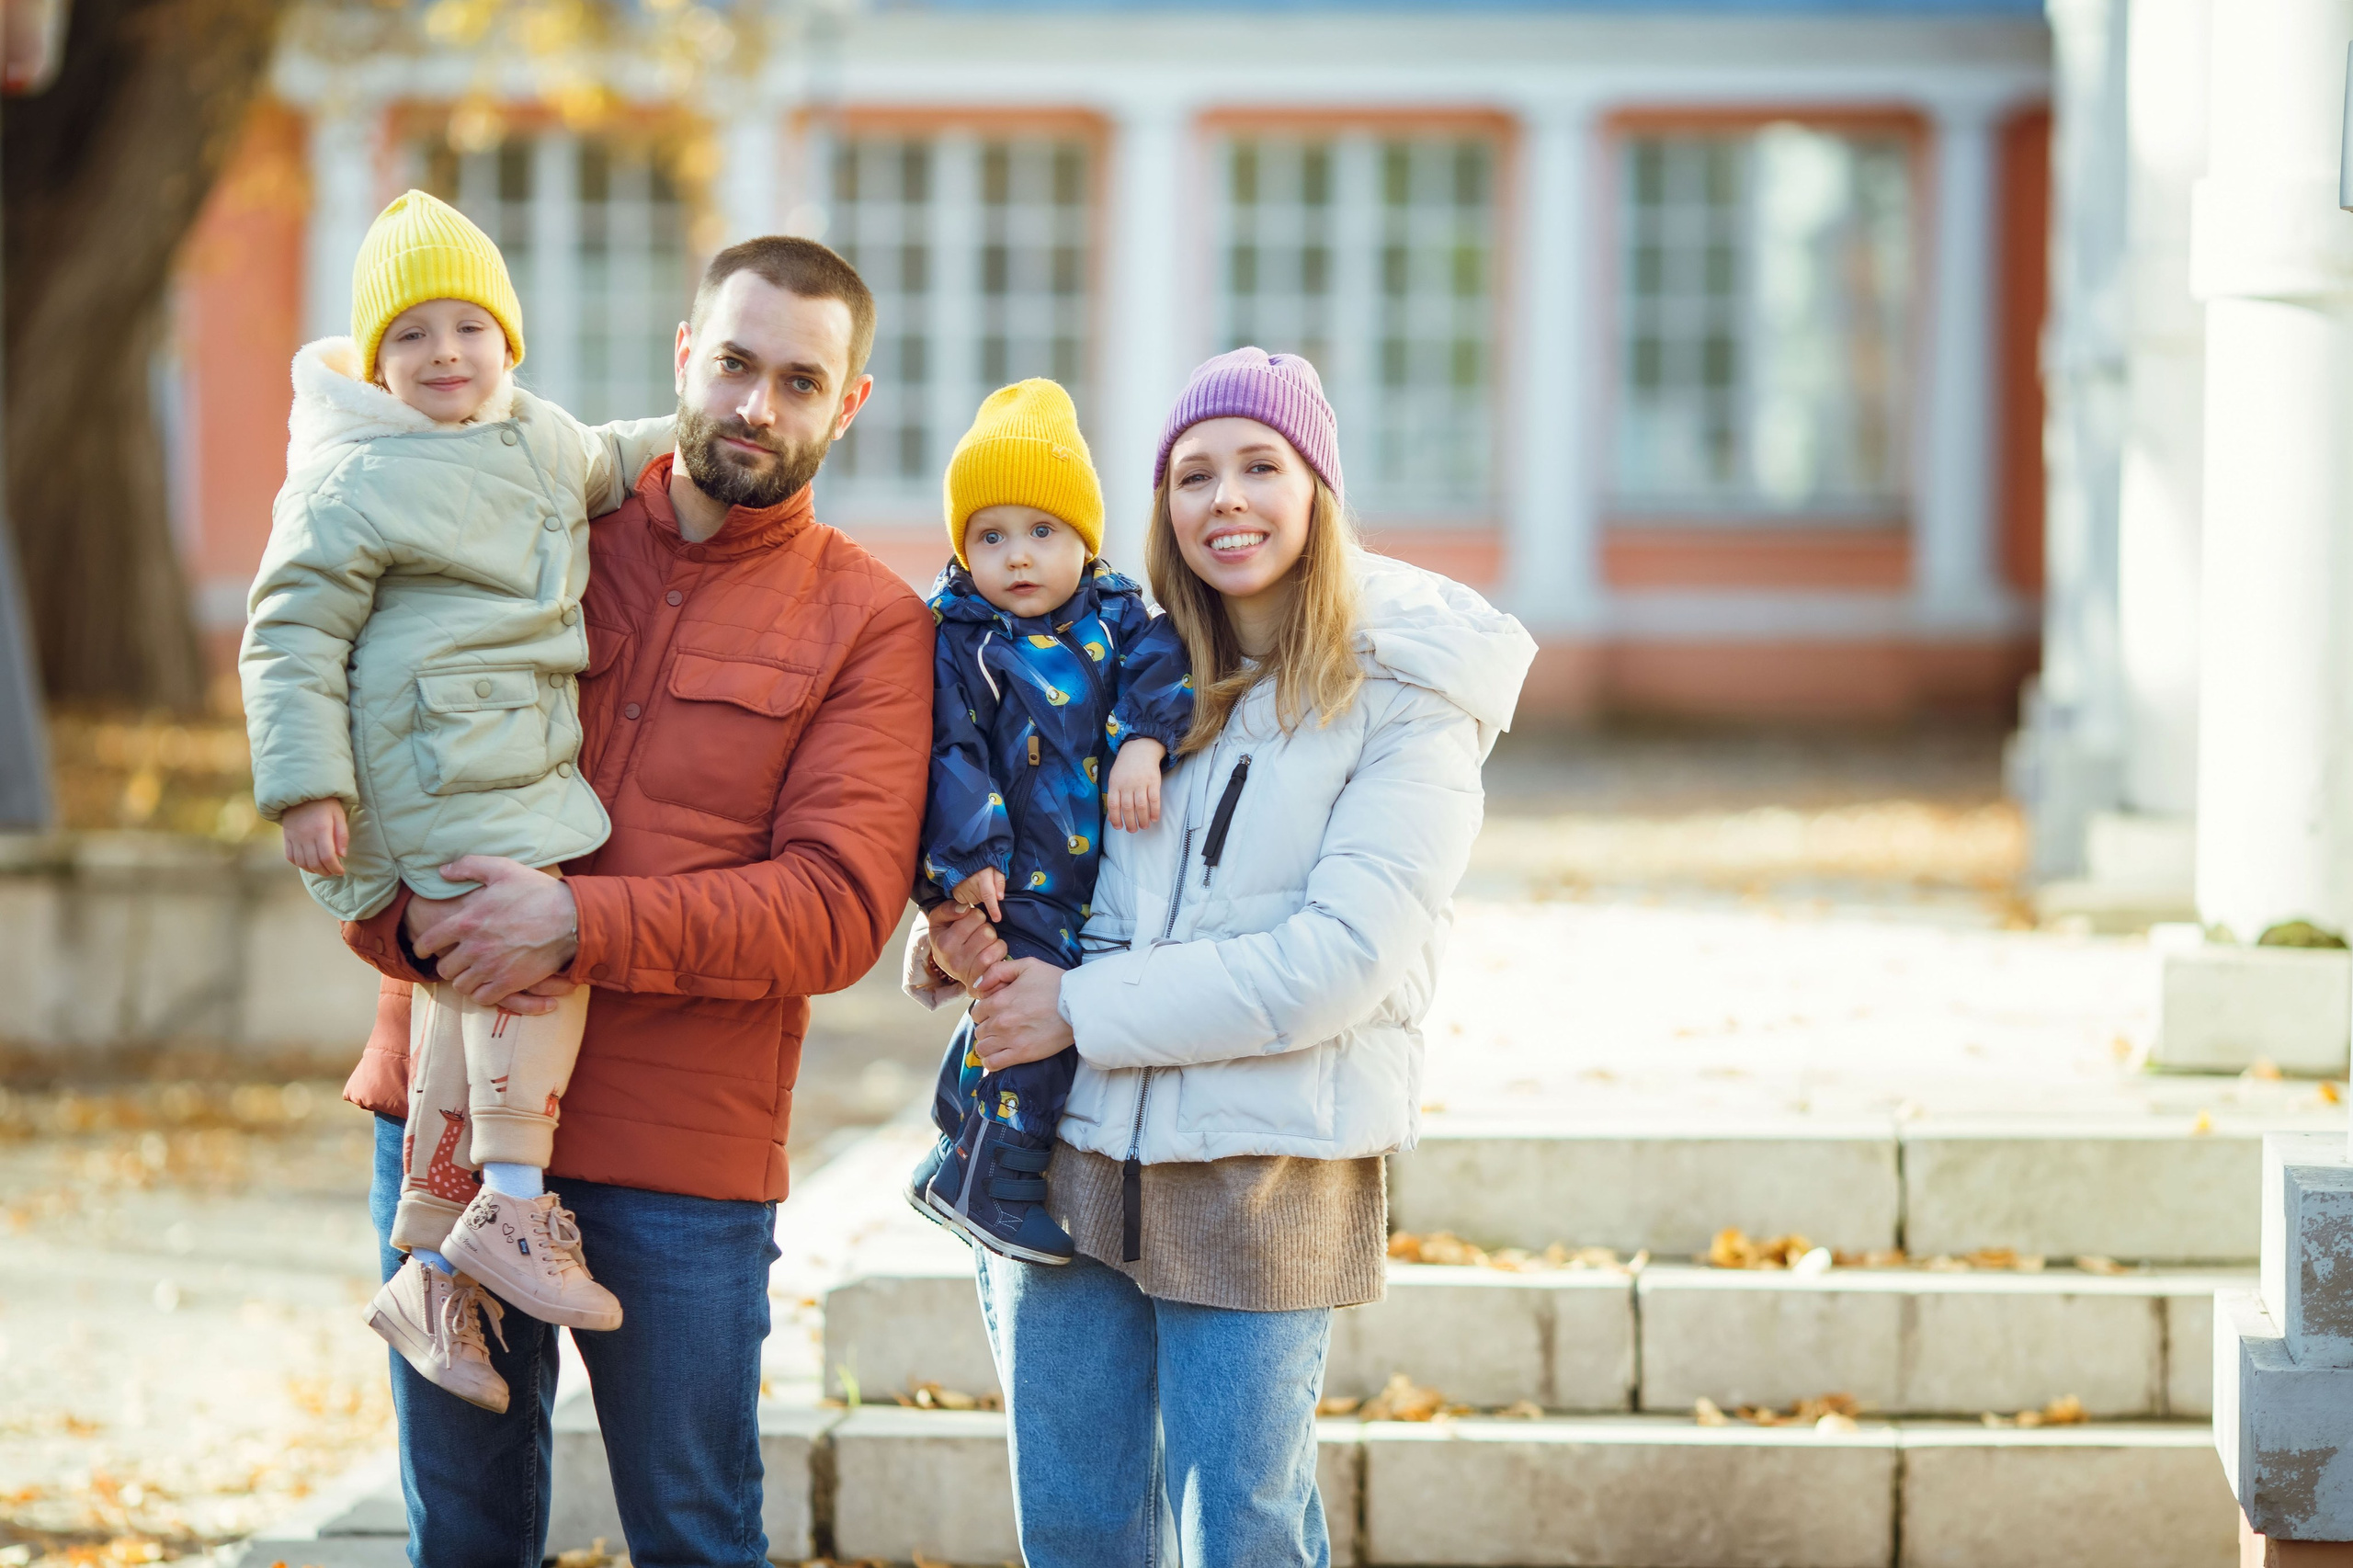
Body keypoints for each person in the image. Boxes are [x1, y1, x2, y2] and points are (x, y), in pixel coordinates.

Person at [335, 234, 933, 1567]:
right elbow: (369, 743)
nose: (752, 407)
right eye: (731, 363)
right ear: (683, 356)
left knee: (695, 1534)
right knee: (467, 1536)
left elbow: (836, 908)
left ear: (850, 402)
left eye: (797, 379)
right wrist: (401, 922)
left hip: (683, 1160)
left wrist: (575, 927)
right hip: (442, 1113)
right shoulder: (524, 514)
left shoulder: (872, 623)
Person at [908, 347, 1536, 1567]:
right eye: (1194, 475)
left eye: (1261, 465)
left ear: (1319, 489)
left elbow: (1339, 961)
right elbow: (1040, 844)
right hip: (1066, 1151)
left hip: (1269, 1166)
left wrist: (1075, 1006)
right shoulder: (1123, 668)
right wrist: (956, 937)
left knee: (1238, 1535)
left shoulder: (1406, 697)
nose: (1226, 499)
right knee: (1079, 1530)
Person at [242, 189, 675, 1407]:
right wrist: (306, 782)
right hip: (432, 757)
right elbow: (288, 636)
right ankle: (516, 1208)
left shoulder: (538, 438)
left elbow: (617, 454)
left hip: (500, 753)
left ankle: (431, 1268)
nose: (445, 355)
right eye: (413, 336)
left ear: (510, 345)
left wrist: (698, 433)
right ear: (376, 364)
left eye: (470, 329)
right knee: (537, 948)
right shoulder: (353, 475)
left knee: (455, 990)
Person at [906, 379, 1192, 1264]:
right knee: (1032, 1023)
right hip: (1011, 870)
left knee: (1016, 1005)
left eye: (1043, 532)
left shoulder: (1118, 617)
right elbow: (944, 751)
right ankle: (996, 1180)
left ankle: (957, 1135)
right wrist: (967, 858)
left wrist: (1144, 743)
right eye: (990, 537)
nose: (1018, 558)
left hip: (1092, 873)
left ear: (1083, 539)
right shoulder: (959, 635)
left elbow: (1164, 668)